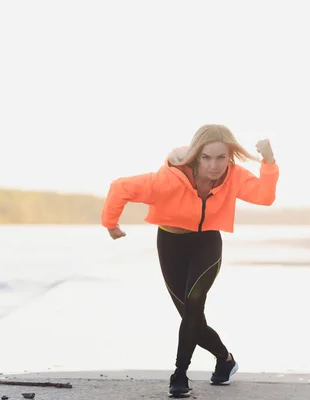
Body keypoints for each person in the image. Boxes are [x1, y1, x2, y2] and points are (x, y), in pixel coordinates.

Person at [100, 124, 279, 398]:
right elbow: (120, 187)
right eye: (207, 157)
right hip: (171, 244)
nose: (215, 165)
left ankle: (180, 374)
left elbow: (265, 197)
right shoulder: (169, 179)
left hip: (207, 244)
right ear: (196, 156)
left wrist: (268, 161)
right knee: (191, 316)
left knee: (195, 303)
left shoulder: (233, 177)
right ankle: (225, 359)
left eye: (221, 157)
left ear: (229, 156)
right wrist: (111, 224)